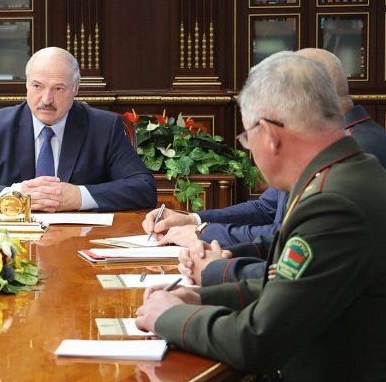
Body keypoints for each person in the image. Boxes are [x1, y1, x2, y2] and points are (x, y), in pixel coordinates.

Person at [135, 53, 386, 382]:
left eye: (246, 137)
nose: (249, 149)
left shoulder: (333, 203)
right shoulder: (354, 173)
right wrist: (198, 298)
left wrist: (166, 317)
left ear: (268, 135)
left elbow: (260, 340)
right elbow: (289, 287)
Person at [143, 48, 386, 285]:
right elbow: (267, 208)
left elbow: (290, 255)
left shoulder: (350, 151)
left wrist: (214, 260)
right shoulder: (336, 143)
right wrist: (193, 220)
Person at [0, 47, 156, 212]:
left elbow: (143, 188)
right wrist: (14, 195)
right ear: (26, 85)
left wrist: (79, 196)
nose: (46, 99)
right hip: (12, 245)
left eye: (58, 88)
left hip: (79, 242)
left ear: (75, 89)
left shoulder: (104, 127)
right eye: (37, 86)